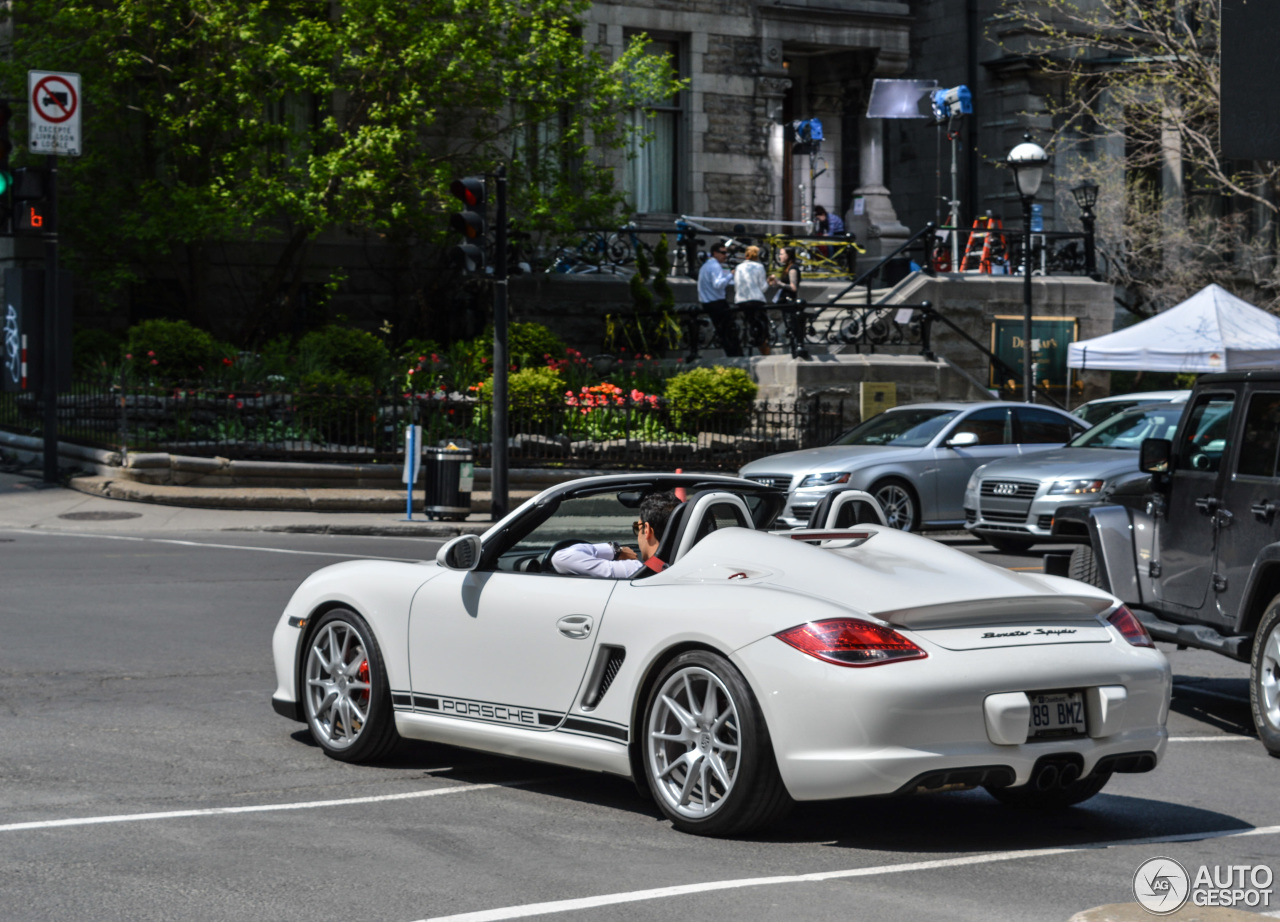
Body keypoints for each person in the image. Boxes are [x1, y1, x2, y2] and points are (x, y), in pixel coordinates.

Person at [551, 491, 682, 578]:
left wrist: (615, 551)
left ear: (646, 530)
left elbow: (561, 558)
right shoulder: (686, 566)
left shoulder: (632, 569)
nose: (637, 534)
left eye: (637, 527)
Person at [696, 242, 740, 357]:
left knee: (723, 332)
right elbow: (718, 284)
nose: (725, 255)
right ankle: (735, 355)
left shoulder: (706, 265)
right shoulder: (715, 266)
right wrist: (731, 274)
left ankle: (732, 354)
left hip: (708, 302)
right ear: (715, 253)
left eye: (726, 252)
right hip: (717, 303)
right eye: (723, 252)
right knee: (728, 331)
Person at [771, 246, 810, 360]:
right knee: (789, 328)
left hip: (790, 302)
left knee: (792, 327)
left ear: (788, 255)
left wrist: (779, 283)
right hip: (785, 303)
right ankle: (794, 349)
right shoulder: (786, 268)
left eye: (782, 254)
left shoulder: (793, 268)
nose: (780, 256)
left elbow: (793, 287)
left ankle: (797, 350)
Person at [733, 245, 773, 355]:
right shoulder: (759, 267)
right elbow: (763, 288)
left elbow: (736, 286)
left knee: (749, 323)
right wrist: (769, 281)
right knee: (762, 327)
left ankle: (749, 342)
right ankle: (764, 350)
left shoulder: (739, 267)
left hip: (741, 300)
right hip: (756, 299)